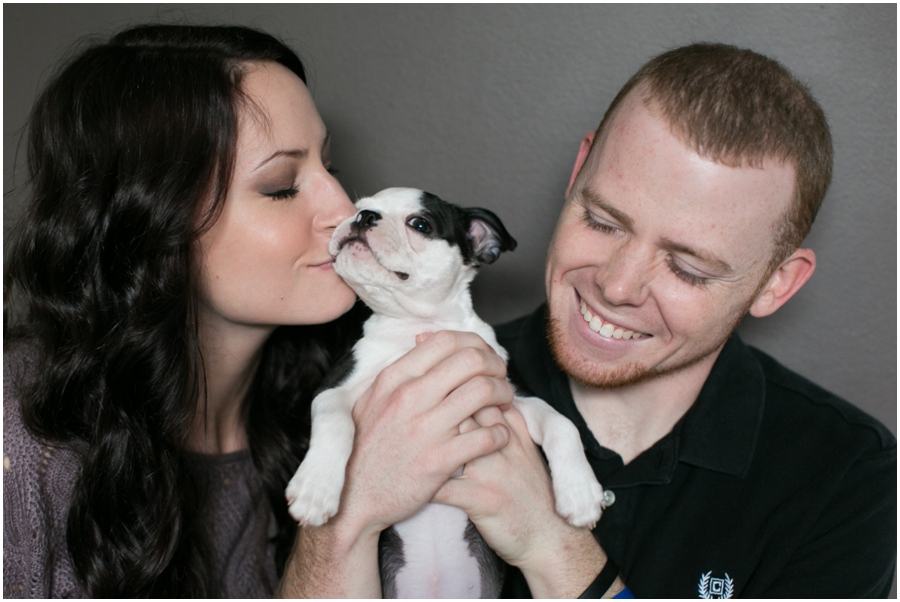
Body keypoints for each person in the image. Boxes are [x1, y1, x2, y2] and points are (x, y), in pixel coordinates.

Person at [288, 43, 897, 598]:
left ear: (775, 284)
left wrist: (553, 547)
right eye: (603, 222)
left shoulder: (847, 478)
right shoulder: (410, 375)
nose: (616, 285)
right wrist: (342, 524)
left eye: (688, 268)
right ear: (578, 171)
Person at [3, 24, 514, 597]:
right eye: (280, 186)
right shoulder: (19, 447)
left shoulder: (346, 390)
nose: (344, 209)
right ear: (151, 226)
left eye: (331, 168)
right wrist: (347, 517)